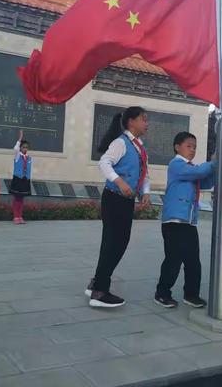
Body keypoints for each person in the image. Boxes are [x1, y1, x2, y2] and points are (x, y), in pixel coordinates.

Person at [85, 106, 151, 307]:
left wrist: (145, 191)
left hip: (125, 200)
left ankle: (96, 283)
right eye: (143, 119)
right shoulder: (120, 143)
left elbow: (143, 172)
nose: (146, 124)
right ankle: (99, 292)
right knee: (113, 244)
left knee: (117, 243)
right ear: (131, 121)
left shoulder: (139, 146)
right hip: (114, 198)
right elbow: (104, 163)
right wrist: (120, 182)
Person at [155, 132, 216, 308]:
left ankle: (191, 295)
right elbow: (199, 172)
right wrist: (213, 162)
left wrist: (214, 169)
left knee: (193, 260)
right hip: (174, 221)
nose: (193, 150)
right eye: (189, 146)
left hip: (188, 222)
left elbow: (204, 182)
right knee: (173, 259)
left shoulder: (190, 169)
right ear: (177, 147)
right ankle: (162, 293)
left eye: (195, 147)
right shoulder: (177, 165)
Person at [9, 130, 32, 224]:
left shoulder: (29, 158)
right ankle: (15, 217)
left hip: (25, 180)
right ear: (20, 148)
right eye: (23, 147)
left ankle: (20, 216)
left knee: (22, 199)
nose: (25, 149)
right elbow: (15, 149)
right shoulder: (18, 156)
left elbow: (29, 169)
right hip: (18, 179)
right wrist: (19, 139)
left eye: (26, 147)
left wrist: (28, 178)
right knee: (17, 198)